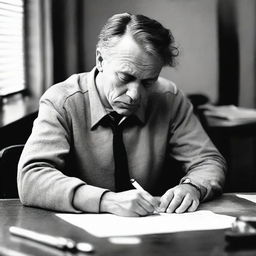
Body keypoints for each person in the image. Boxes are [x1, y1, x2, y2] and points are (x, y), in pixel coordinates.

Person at [17, 13, 226, 217]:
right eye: (125, 77)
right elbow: (31, 177)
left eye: (147, 82)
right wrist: (106, 201)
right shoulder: (61, 101)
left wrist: (192, 188)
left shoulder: (168, 98)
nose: (135, 95)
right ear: (100, 60)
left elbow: (208, 161)